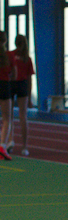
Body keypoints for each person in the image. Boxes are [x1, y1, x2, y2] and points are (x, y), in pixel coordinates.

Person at [7, 34, 35, 157]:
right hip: (22, 85)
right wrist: (29, 97)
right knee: (23, 116)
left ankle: (10, 141)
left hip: (11, 84)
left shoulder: (10, 55)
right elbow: (29, 79)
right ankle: (24, 147)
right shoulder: (27, 58)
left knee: (9, 116)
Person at [0, 31, 15, 161]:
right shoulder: (9, 55)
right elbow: (14, 73)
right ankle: (2, 145)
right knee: (7, 119)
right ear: (5, 41)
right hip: (5, 86)